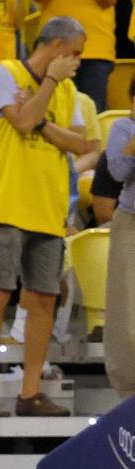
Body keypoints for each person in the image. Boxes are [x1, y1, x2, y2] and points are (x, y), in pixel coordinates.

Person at [0, 16, 93, 419]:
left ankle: (30, 392)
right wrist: (47, 93)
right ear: (56, 46)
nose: (76, 63)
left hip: (48, 207)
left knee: (43, 299)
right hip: (5, 202)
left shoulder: (71, 89)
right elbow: (20, 124)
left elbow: (82, 143)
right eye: (74, 53)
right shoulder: (6, 72)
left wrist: (40, 120)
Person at [105, 111, 135, 397]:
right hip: (131, 223)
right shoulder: (123, 128)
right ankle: (129, 394)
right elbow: (118, 172)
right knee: (127, 312)